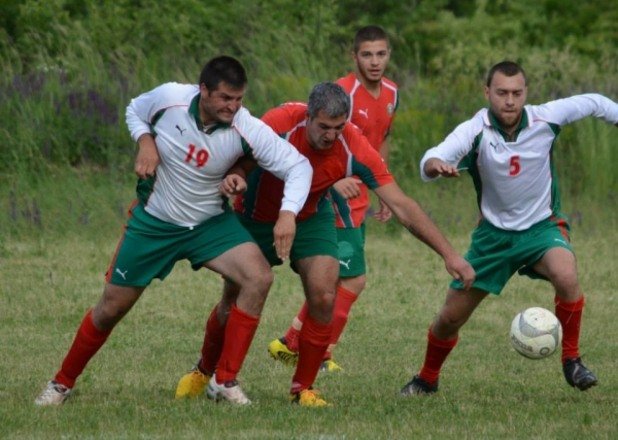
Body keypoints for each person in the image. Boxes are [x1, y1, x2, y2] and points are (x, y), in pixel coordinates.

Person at [34, 56, 313, 406]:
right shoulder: (170, 99)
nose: (233, 106)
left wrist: (287, 214)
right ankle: (61, 384)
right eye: (225, 98)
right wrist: (145, 142)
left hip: (209, 223)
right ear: (204, 90)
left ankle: (225, 382)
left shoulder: (247, 127)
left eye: (239, 99)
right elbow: (135, 110)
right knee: (111, 308)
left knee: (259, 277)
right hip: (155, 222)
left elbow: (298, 166)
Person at [175, 82, 475, 406]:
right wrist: (229, 179)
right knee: (231, 299)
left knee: (324, 293)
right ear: (308, 115)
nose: (330, 135)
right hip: (254, 218)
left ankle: (303, 389)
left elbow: (402, 204)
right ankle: (205, 371)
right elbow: (232, 155)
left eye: (338, 127)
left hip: (309, 217)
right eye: (323, 127)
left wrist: (450, 255)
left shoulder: (352, 146)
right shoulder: (280, 123)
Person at [400, 61, 618, 396]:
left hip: (541, 228)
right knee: (450, 318)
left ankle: (572, 361)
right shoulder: (476, 130)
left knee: (566, 274)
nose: (510, 100)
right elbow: (430, 159)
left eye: (517, 93)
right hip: (493, 239)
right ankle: (427, 379)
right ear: (487, 92)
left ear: (525, 93)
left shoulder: (546, 118)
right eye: (502, 92)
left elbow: (594, 102)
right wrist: (436, 166)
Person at [267, 25, 399, 372]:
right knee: (350, 278)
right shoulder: (343, 94)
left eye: (381, 54)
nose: (375, 61)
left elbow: (379, 142)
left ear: (389, 55)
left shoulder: (391, 93)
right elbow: (318, 147)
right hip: (334, 199)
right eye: (367, 54)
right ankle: (317, 351)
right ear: (354, 57)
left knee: (341, 278)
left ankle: (294, 342)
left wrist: (383, 187)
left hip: (362, 196)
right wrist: (333, 183)